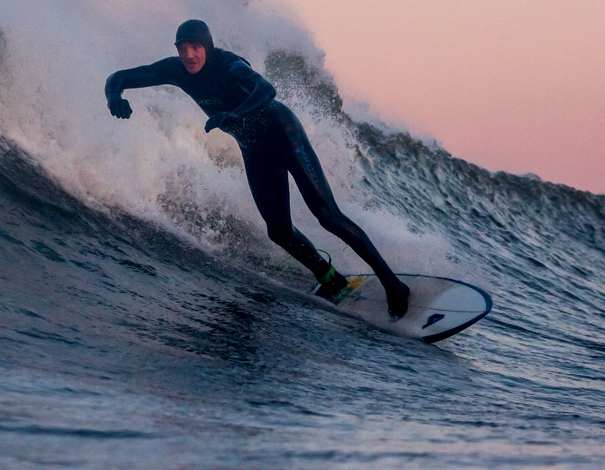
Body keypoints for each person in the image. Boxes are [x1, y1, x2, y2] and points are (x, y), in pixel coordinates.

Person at [105, 19, 410, 319]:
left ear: (208, 48)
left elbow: (266, 90)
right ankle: (330, 278)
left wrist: (234, 114)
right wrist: (114, 96)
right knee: (279, 231)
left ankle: (393, 284)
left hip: (285, 135)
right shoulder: (176, 70)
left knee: (328, 216)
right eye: (183, 48)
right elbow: (120, 76)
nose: (189, 55)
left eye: (195, 47)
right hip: (255, 150)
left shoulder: (229, 65)